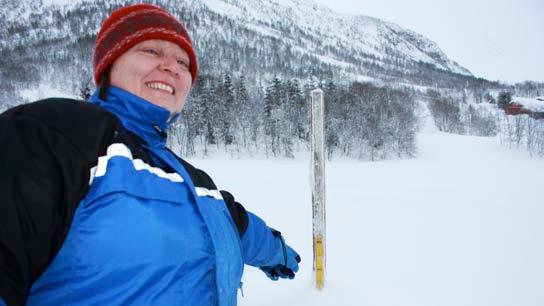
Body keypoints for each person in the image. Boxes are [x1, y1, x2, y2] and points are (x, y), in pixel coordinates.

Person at [0, 4, 300, 306]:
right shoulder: (52, 135)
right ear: (109, 65)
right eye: (151, 51)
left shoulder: (195, 182)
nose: (172, 66)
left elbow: (239, 227)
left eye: (183, 62)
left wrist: (279, 252)